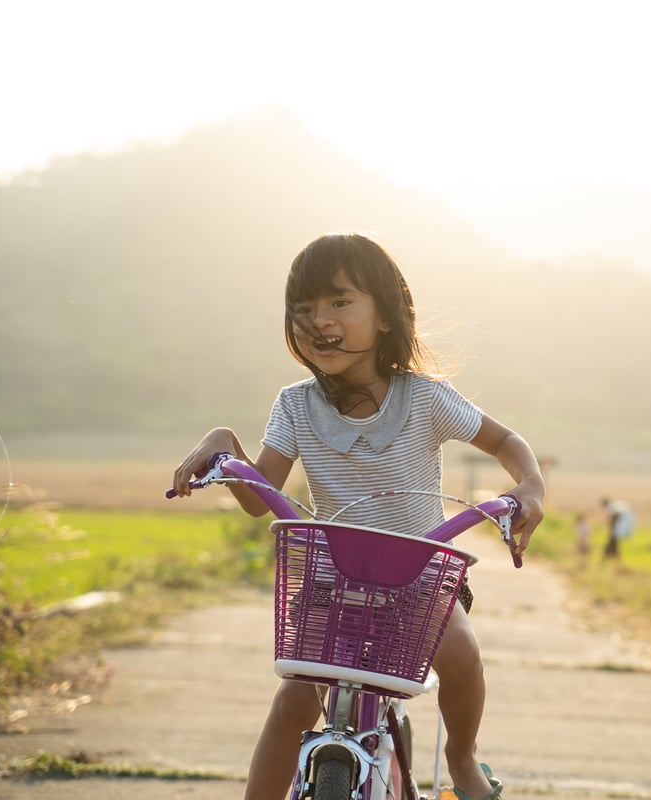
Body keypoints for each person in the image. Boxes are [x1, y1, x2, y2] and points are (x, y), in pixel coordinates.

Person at [171, 233, 544, 800]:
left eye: (339, 302)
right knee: (295, 698)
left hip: (421, 578)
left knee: (461, 653)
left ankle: (461, 757)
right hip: (332, 581)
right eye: (304, 309)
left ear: (386, 316)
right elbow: (257, 494)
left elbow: (505, 440)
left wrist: (530, 485)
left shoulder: (424, 398)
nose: (319, 320)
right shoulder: (295, 405)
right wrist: (224, 445)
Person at [600, 496, 635, 560]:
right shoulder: (615, 506)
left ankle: (608, 558)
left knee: (613, 542)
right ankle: (614, 558)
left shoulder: (610, 507)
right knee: (613, 543)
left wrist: (611, 527)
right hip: (623, 524)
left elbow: (614, 518)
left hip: (621, 525)